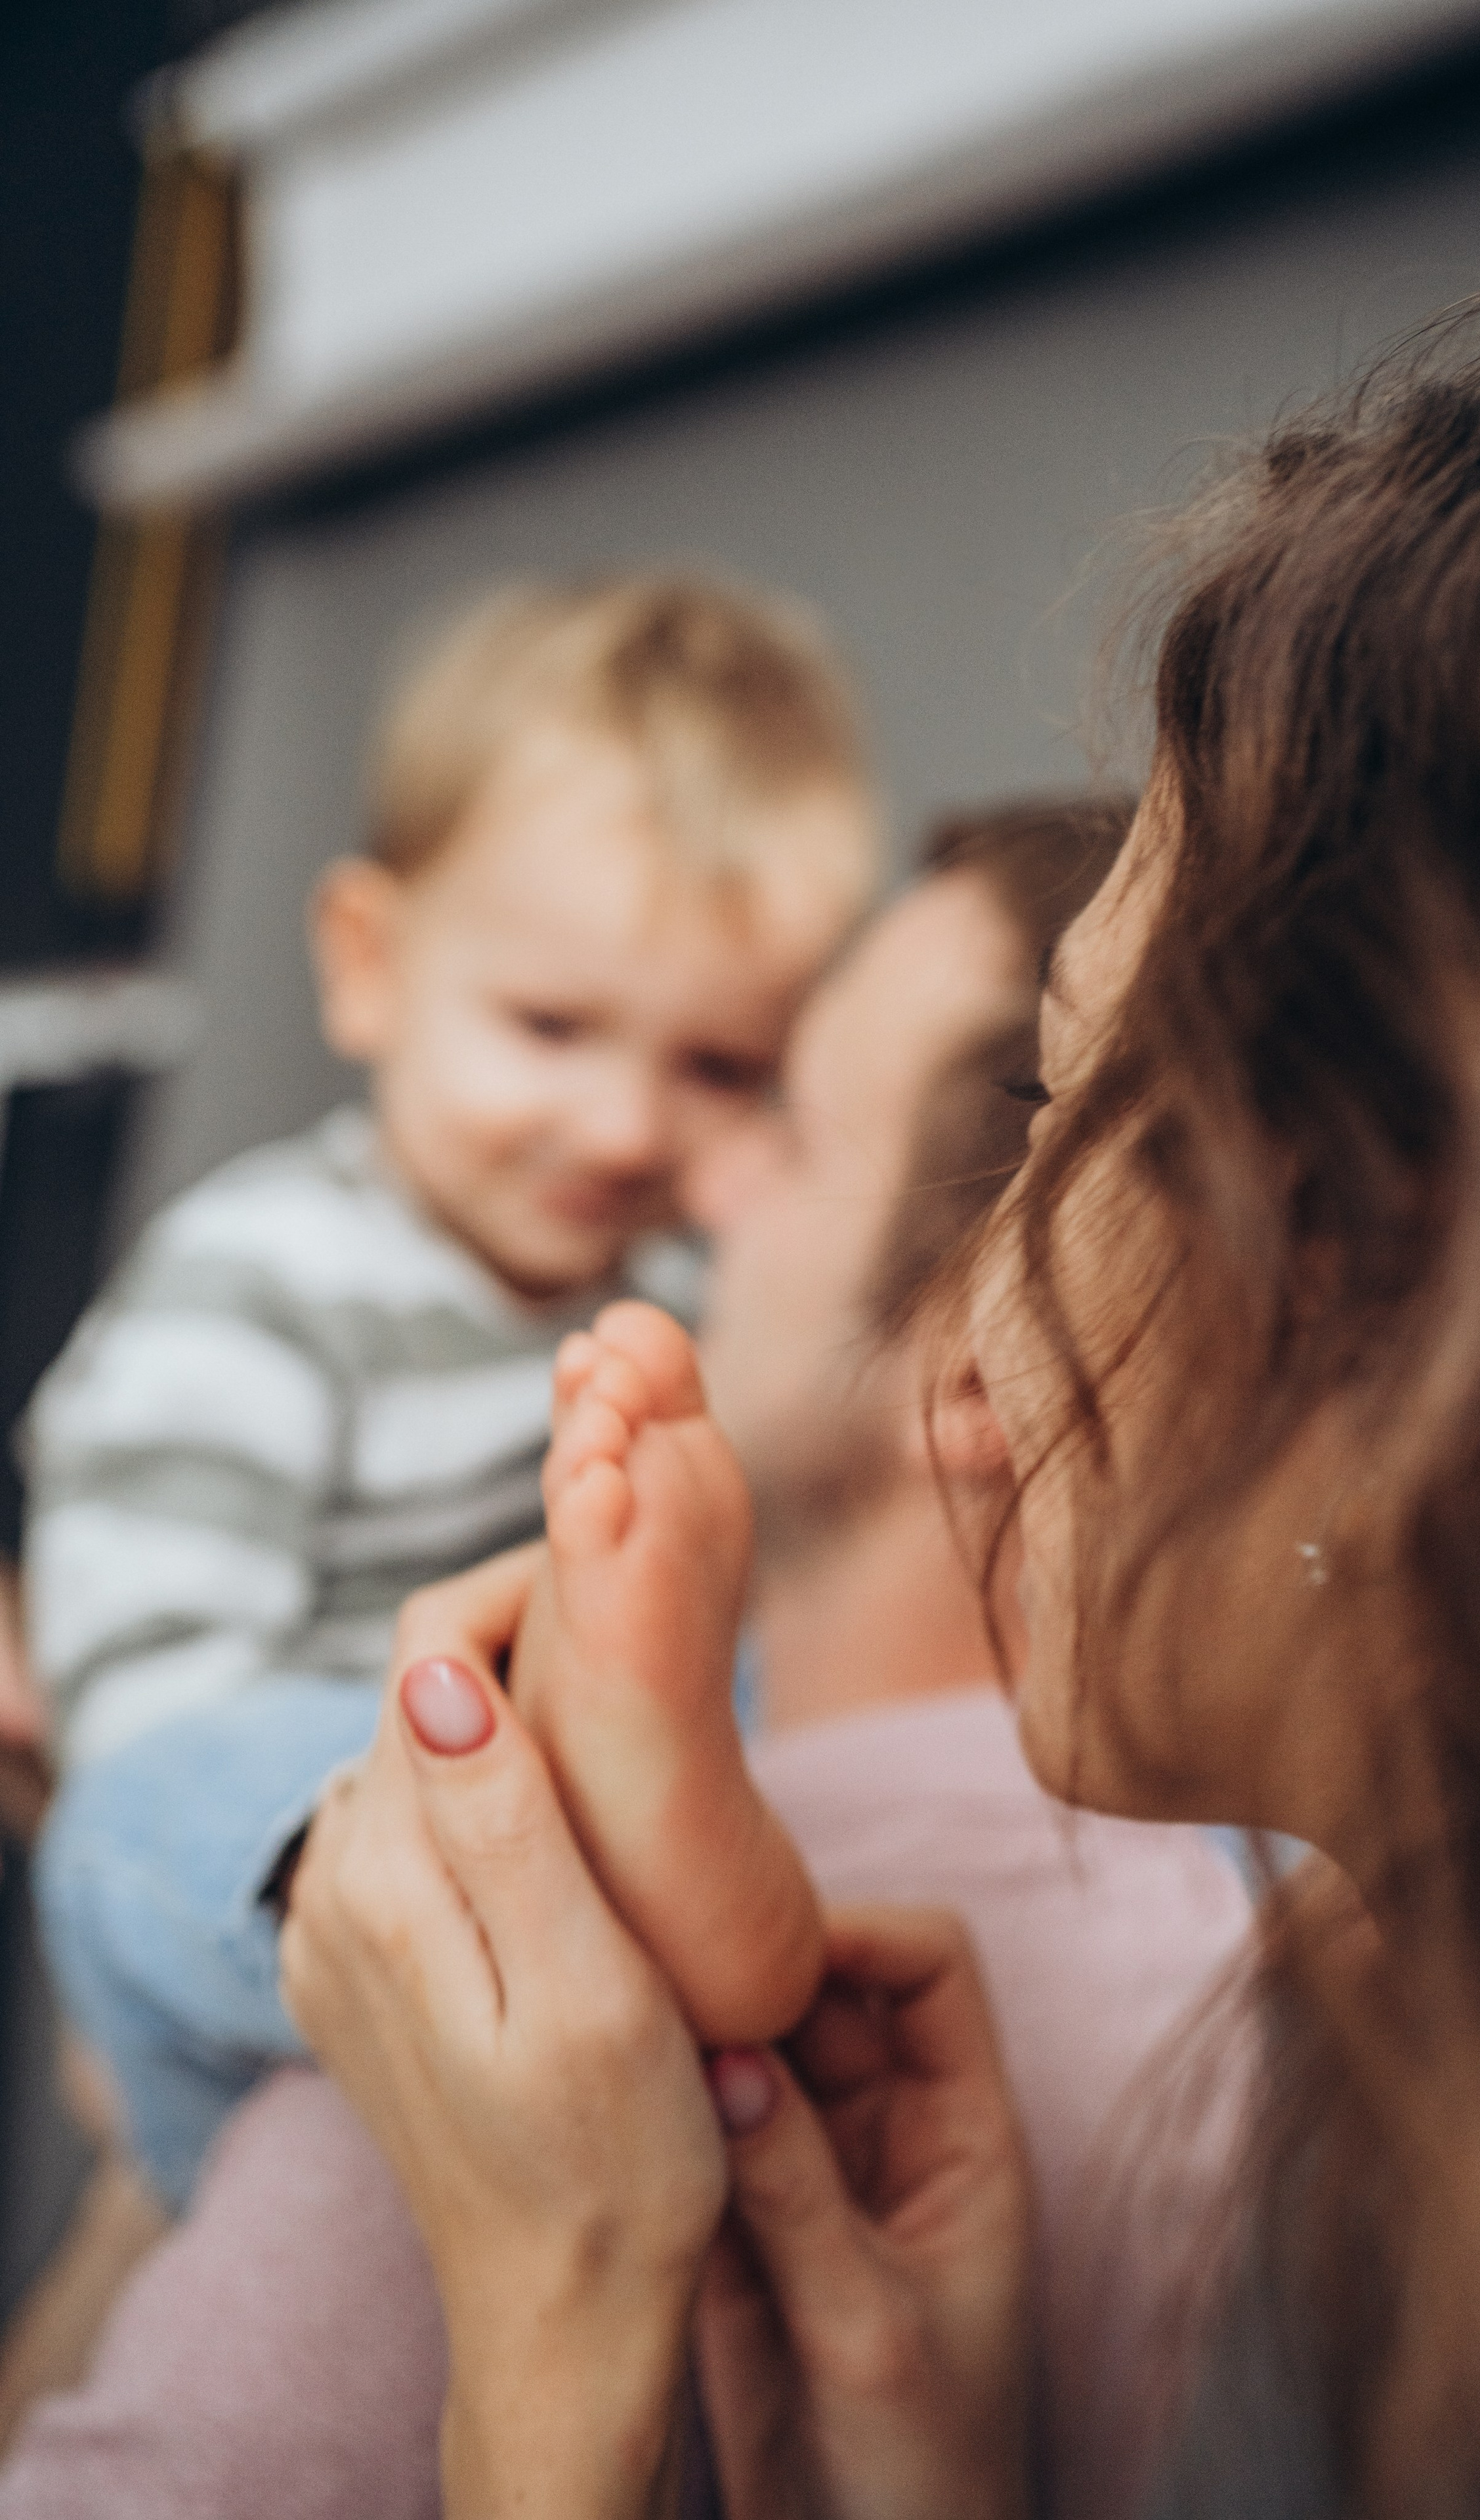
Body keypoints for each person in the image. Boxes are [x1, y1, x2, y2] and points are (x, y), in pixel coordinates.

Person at [268, 287, 1480, 2519]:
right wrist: (934, 2474)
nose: (973, 1288)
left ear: (1389, 1259)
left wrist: (559, 2352)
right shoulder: (1446, 2124)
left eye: (1057, 1086)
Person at [0, 798, 1252, 2520]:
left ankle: (433, 1865)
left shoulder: (487, 2105)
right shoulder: (1285, 1984)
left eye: (785, 1119)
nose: (693, 1168)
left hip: (456, 1885)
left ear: (986, 1349)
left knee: (172, 1797)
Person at [23, 573, 880, 2210]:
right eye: (550, 1025)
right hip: (298, 1872)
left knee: (765, 1667)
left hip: (599, 1841)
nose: (627, 1126)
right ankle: (454, 1917)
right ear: (369, 965)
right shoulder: (256, 1287)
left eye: (714, 1066)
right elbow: (144, 1701)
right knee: (157, 1791)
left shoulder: (681, 1297)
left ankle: (648, 1907)